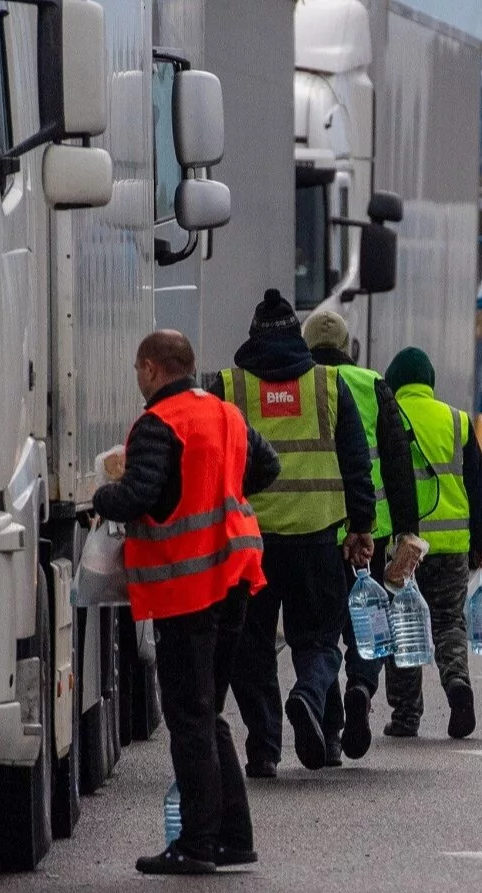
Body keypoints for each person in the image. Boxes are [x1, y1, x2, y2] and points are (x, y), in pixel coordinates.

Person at [92, 330, 278, 876]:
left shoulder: (159, 423)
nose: (137, 379)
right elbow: (266, 468)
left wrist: (100, 497)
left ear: (152, 368)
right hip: (237, 575)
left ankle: (197, 844)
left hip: (188, 586)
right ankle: (232, 838)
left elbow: (138, 496)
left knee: (189, 717)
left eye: (137, 369)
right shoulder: (223, 414)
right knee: (208, 712)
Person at [207, 292, 377, 774]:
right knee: (320, 640)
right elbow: (356, 461)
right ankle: (307, 695)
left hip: (249, 545)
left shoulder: (229, 387)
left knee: (250, 646)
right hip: (318, 538)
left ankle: (263, 748)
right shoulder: (327, 386)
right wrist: (361, 526)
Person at [301, 307, 423, 762]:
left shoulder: (302, 385)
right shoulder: (374, 384)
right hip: (371, 535)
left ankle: (329, 730)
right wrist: (408, 529)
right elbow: (397, 461)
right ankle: (361, 687)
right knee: (370, 627)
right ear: (348, 347)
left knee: (322, 633)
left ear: (307, 346)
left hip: (314, 529)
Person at [377, 346, 482, 740]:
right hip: (451, 546)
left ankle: (406, 716)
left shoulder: (387, 415)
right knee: (448, 621)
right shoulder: (457, 421)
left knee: (404, 626)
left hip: (406, 547)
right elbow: (478, 490)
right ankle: (457, 682)